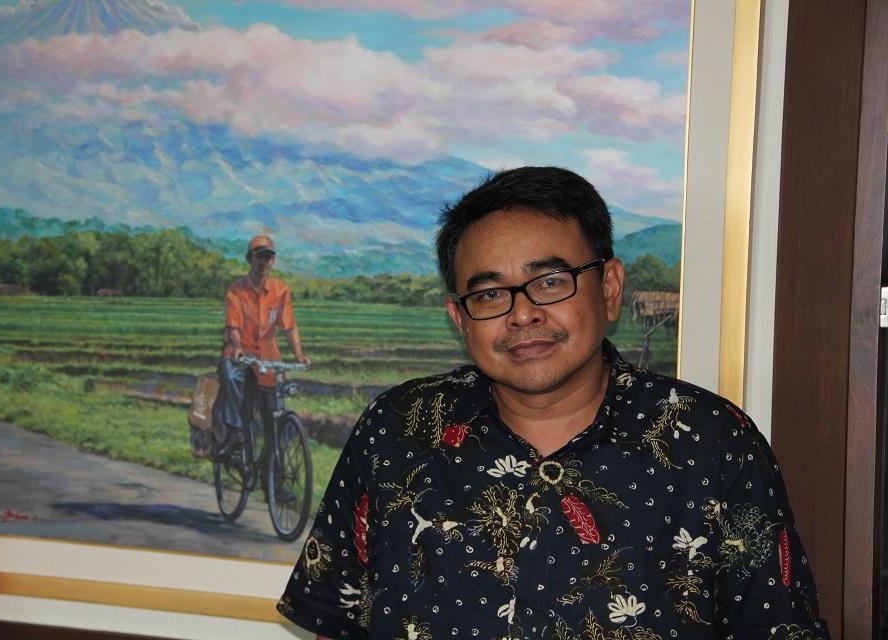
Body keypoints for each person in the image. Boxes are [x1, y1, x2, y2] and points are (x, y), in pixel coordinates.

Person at [278, 167, 829, 639]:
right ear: (460, 318)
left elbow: (777, 625)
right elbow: (336, 619)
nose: (522, 314)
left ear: (609, 286)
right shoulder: (399, 429)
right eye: (489, 293)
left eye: (549, 282)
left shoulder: (711, 440)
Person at [213, 235, 310, 456]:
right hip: (240, 354)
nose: (264, 262)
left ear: (273, 261)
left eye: (268, 257)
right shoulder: (236, 290)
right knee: (231, 376)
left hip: (268, 358)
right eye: (259, 257)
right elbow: (233, 325)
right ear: (250, 259)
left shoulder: (280, 290)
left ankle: (274, 468)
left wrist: (299, 354)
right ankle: (235, 432)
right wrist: (238, 348)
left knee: (274, 413)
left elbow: (289, 326)